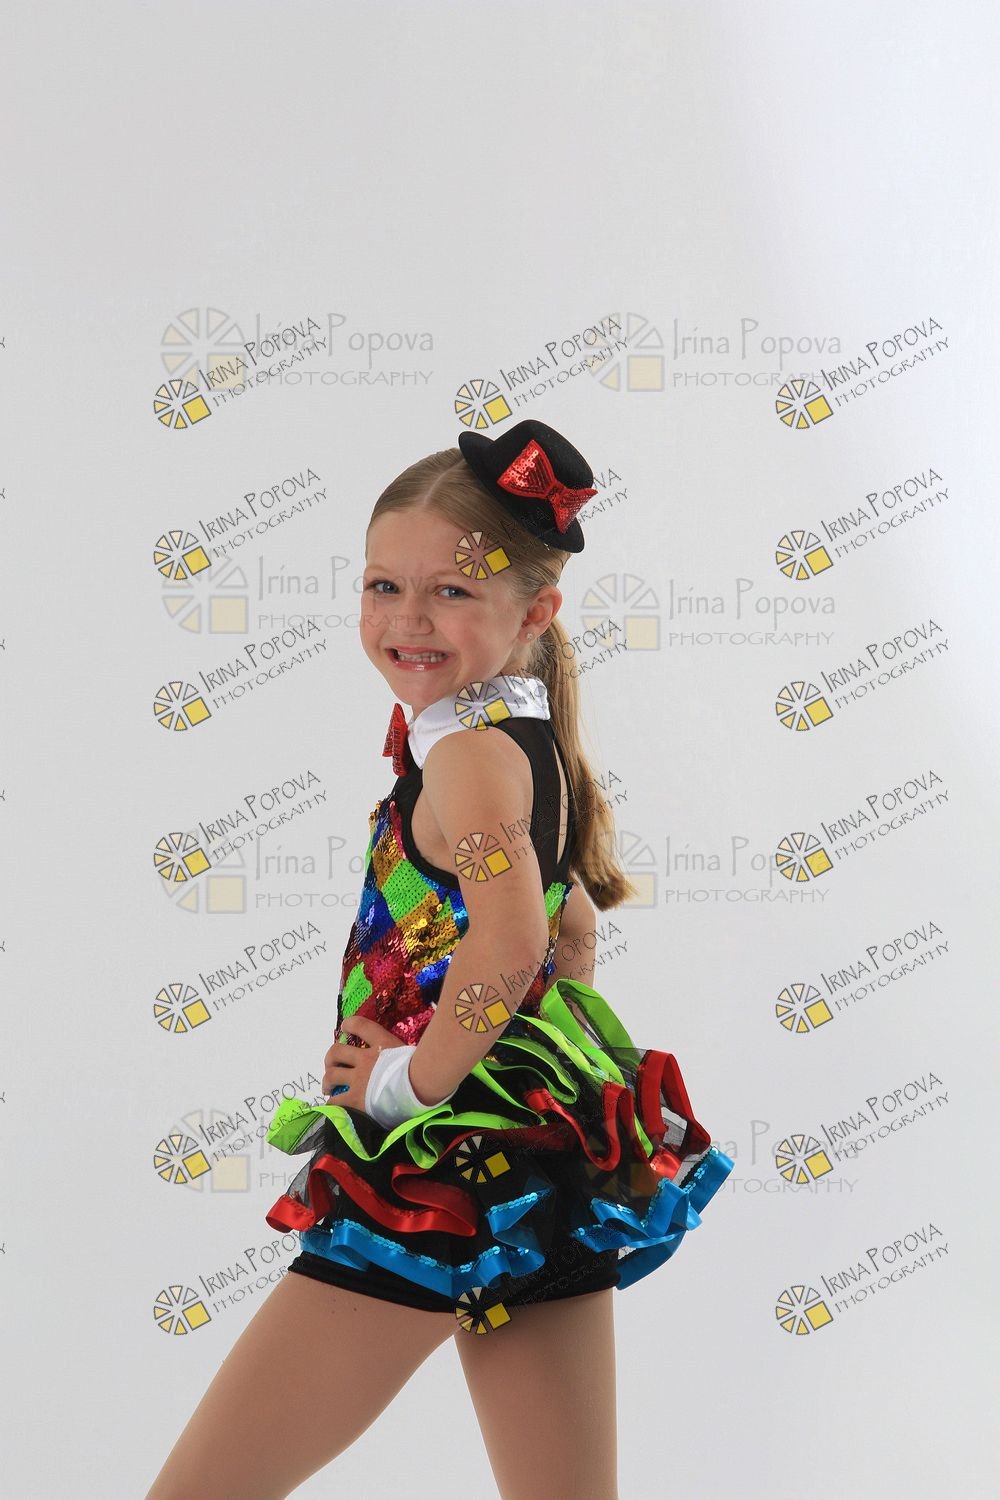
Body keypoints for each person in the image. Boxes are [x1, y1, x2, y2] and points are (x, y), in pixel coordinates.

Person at [146, 419, 734, 1500]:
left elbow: (512, 941)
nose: (406, 619)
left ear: (535, 612)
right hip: (541, 1166)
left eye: (451, 592)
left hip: (436, 1170)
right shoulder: (527, 746)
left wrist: (409, 1083)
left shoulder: (466, 757)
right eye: (383, 586)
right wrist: (537, 1075)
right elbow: (569, 929)